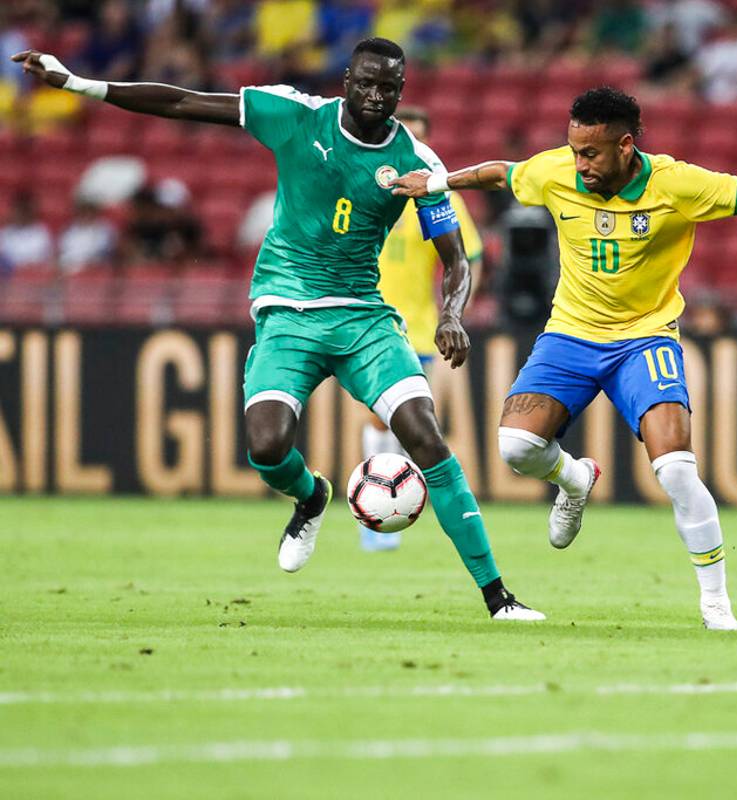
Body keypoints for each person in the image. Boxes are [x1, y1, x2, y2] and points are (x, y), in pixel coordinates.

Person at [13, 37, 544, 621]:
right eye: (365, 82)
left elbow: (458, 259)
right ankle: (312, 496)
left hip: (363, 319)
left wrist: (450, 315)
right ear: (346, 79)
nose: (374, 95)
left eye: (387, 87)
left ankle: (499, 597)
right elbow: (185, 102)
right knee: (266, 447)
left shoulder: (419, 163)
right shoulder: (293, 114)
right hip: (287, 312)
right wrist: (81, 84)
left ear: (401, 91)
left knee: (426, 436)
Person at [390, 87, 737, 630]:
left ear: (625, 146)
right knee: (516, 448)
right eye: (574, 150)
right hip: (570, 334)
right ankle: (575, 479)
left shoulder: (676, 183)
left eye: (590, 153)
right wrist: (433, 182)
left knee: (675, 470)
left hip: (645, 339)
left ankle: (715, 603)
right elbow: (500, 173)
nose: (579, 164)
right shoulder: (556, 172)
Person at [359, 105, 484, 553]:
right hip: (367, 323)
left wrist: (456, 312)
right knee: (380, 417)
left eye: (418, 138)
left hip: (418, 328)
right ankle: (373, 521)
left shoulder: (441, 197)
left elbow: (468, 258)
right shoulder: (365, 184)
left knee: (410, 426)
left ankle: (383, 510)